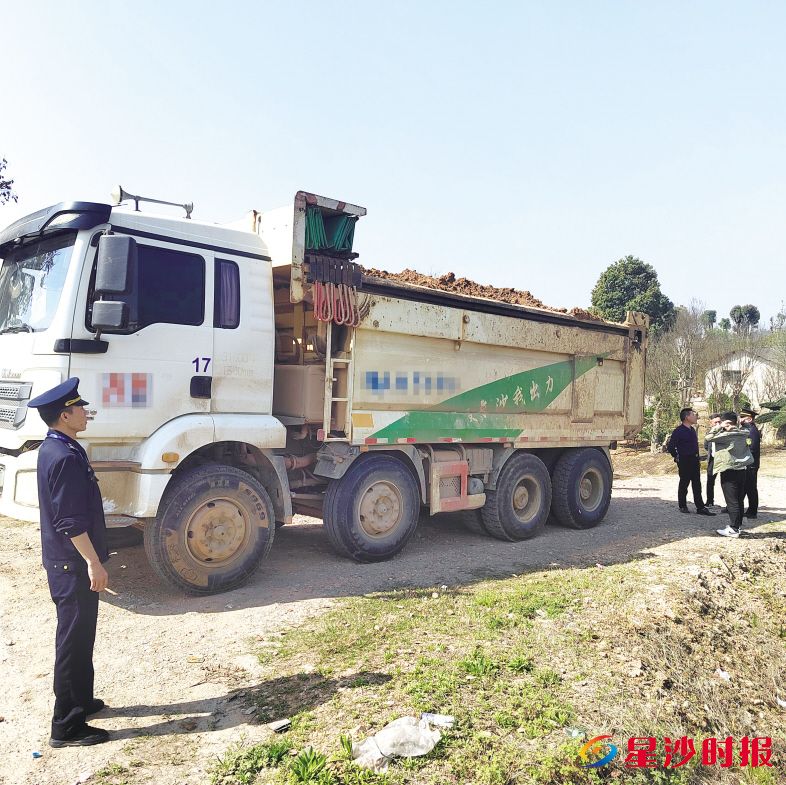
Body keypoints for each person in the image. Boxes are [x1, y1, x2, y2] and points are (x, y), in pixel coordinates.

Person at [27, 378, 110, 748]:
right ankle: (66, 725)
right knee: (72, 640)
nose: (85, 412)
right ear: (65, 414)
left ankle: (82, 700)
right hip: (71, 565)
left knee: (82, 634)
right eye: (80, 408)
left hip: (69, 563)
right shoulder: (62, 456)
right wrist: (93, 562)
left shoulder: (61, 447)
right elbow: (70, 522)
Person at [705, 411, 754, 538]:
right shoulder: (743, 433)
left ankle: (733, 529)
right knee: (739, 499)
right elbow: (748, 428)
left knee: (732, 501)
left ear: (725, 422)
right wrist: (740, 423)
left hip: (729, 469)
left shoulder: (727, 435)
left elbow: (708, 438)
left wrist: (719, 426)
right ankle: (737, 526)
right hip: (742, 469)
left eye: (721, 422)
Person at [667, 408, 716, 516]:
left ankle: (700, 507)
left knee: (697, 484)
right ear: (687, 417)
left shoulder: (692, 430)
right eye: (693, 415)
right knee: (684, 483)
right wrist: (676, 456)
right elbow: (671, 446)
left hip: (694, 460)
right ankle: (682, 505)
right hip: (684, 460)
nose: (696, 416)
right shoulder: (678, 431)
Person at [739, 407, 760, 519]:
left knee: (751, 487)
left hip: (751, 464)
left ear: (749, 419)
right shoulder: (746, 429)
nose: (740, 419)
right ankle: (737, 507)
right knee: (745, 487)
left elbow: (753, 447)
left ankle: (752, 511)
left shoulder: (752, 431)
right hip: (747, 463)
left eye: (743, 417)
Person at [704, 412, 721, 507]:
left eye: (719, 422)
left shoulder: (725, 432)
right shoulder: (709, 433)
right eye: (715, 422)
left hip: (723, 459)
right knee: (710, 481)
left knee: (727, 482)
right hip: (713, 459)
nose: (718, 424)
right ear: (711, 423)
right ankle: (710, 501)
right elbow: (706, 446)